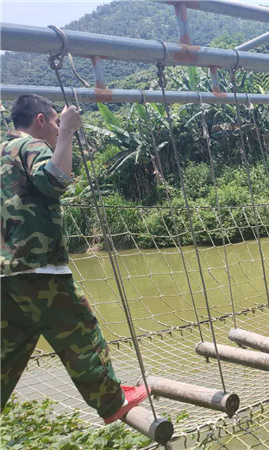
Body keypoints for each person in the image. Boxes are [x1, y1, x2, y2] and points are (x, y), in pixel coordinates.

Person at [1, 94, 149, 424]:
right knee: (80, 332)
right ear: (40, 120)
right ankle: (112, 401)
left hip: (4, 274)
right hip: (38, 266)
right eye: (54, 122)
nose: (56, 129)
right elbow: (55, 181)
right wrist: (67, 131)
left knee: (7, 349)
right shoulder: (31, 147)